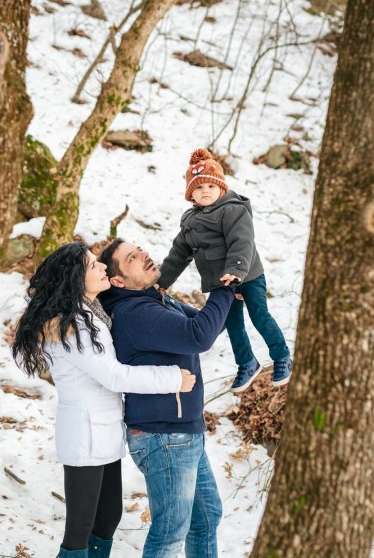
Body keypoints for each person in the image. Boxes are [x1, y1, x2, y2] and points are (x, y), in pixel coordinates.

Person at [11, 242, 195, 558]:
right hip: (85, 434)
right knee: (79, 531)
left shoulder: (91, 314)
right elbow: (112, 375)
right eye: (93, 265)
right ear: (75, 278)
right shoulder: (72, 325)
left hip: (104, 431)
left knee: (107, 519)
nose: (103, 268)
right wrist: (171, 379)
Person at [98, 239, 236, 558]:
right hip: (165, 436)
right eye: (132, 257)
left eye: (141, 249)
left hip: (181, 432)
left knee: (205, 518)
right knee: (170, 535)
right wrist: (224, 289)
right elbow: (198, 336)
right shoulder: (135, 312)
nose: (144, 255)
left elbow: (204, 325)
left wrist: (230, 292)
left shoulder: (154, 300)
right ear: (118, 280)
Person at [158, 148, 292, 392]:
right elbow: (179, 254)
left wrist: (237, 270)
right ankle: (247, 362)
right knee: (233, 323)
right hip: (222, 283)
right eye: (199, 188)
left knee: (259, 315)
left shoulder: (233, 209)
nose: (205, 191)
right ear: (191, 195)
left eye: (210, 186)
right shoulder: (189, 221)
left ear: (221, 187)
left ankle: (282, 355)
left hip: (247, 275)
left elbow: (242, 241)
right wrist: (162, 281)